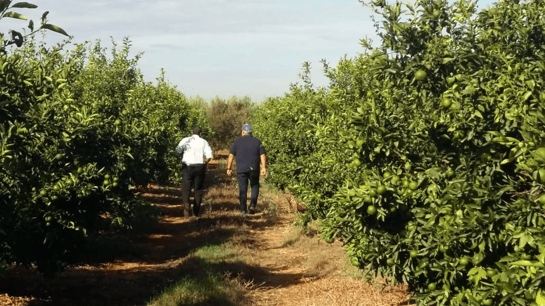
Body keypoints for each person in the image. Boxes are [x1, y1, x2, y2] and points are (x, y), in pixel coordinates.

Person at [226, 123, 267, 217]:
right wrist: (264, 167)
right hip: (254, 168)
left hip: (241, 169)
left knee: (243, 189)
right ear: (250, 132)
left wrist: (229, 168)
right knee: (254, 186)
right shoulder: (257, 142)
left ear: (243, 132)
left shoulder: (237, 142)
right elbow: (262, 155)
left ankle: (243, 210)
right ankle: (252, 205)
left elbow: (231, 155)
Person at [175, 126, 213, 217]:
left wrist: (182, 156)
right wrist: (204, 163)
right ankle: (196, 211)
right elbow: (209, 156)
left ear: (192, 133)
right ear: (200, 133)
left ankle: (186, 206)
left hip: (187, 166)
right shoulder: (203, 142)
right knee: (198, 188)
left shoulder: (185, 140)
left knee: (186, 187)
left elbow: (177, 151)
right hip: (199, 166)